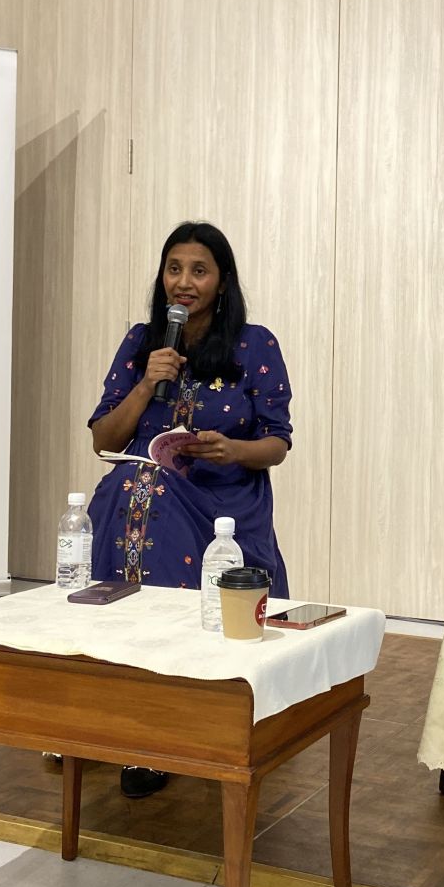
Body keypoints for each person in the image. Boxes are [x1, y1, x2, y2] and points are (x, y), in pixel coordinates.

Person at [86, 221, 293, 797]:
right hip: (145, 491)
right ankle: (122, 706)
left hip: (223, 500)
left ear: (221, 282)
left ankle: (174, 717)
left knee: (143, 493)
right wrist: (144, 384)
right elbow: (104, 440)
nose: (184, 282)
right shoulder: (141, 343)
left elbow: (277, 442)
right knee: (134, 485)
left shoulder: (254, 344)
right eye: (174, 269)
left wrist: (234, 450)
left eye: (199, 271)